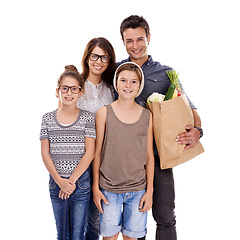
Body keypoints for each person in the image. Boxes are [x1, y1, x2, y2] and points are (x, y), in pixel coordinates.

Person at [119, 15, 203, 240]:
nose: (135, 45)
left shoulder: (165, 72)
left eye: (139, 39)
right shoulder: (116, 72)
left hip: (158, 158)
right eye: (129, 41)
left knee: (165, 216)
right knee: (133, 221)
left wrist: (197, 131)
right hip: (124, 160)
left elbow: (189, 107)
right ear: (123, 42)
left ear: (148, 38)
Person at [93, 62, 155, 240]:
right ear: (116, 83)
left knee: (131, 237)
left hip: (138, 190)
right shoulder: (104, 113)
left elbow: (149, 156)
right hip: (108, 190)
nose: (128, 85)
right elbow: (97, 153)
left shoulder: (147, 115)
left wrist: (149, 191)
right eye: (124, 80)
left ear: (140, 85)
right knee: (109, 237)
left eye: (134, 82)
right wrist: (95, 187)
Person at [40, 65, 96, 240]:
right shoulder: (47, 118)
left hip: (80, 184)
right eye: (65, 88)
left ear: (80, 92)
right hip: (56, 183)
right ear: (57, 91)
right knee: (62, 233)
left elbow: (90, 152)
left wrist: (71, 181)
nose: (69, 93)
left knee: (78, 233)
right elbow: (45, 153)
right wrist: (60, 181)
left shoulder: (87, 118)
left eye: (74, 89)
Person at [77, 37, 116, 240]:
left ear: (109, 61)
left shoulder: (112, 90)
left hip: (104, 160)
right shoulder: (77, 85)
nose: (99, 61)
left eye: (104, 57)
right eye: (95, 56)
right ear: (87, 57)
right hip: (79, 159)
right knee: (78, 218)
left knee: (96, 217)